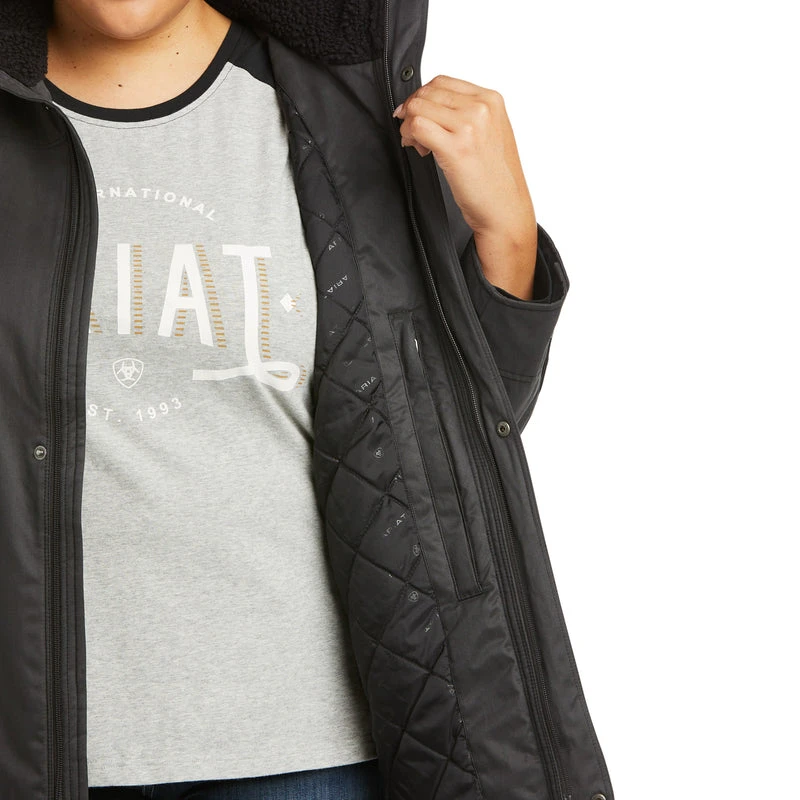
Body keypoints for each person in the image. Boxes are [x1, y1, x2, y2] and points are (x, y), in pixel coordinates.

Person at [0, 1, 614, 799]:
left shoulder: (335, 111)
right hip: (38, 750)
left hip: (305, 756)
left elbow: (444, 445)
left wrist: (509, 236)